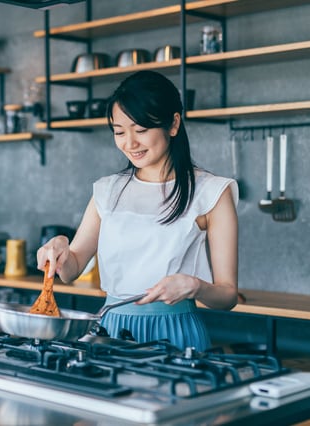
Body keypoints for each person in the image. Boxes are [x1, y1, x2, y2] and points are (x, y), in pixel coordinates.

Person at [36, 70, 238, 350]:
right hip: (110, 331)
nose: (129, 143)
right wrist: (59, 249)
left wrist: (196, 286)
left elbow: (227, 296)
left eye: (141, 130)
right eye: (119, 132)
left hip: (176, 335)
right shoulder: (108, 190)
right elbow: (71, 271)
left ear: (173, 123)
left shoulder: (212, 192)